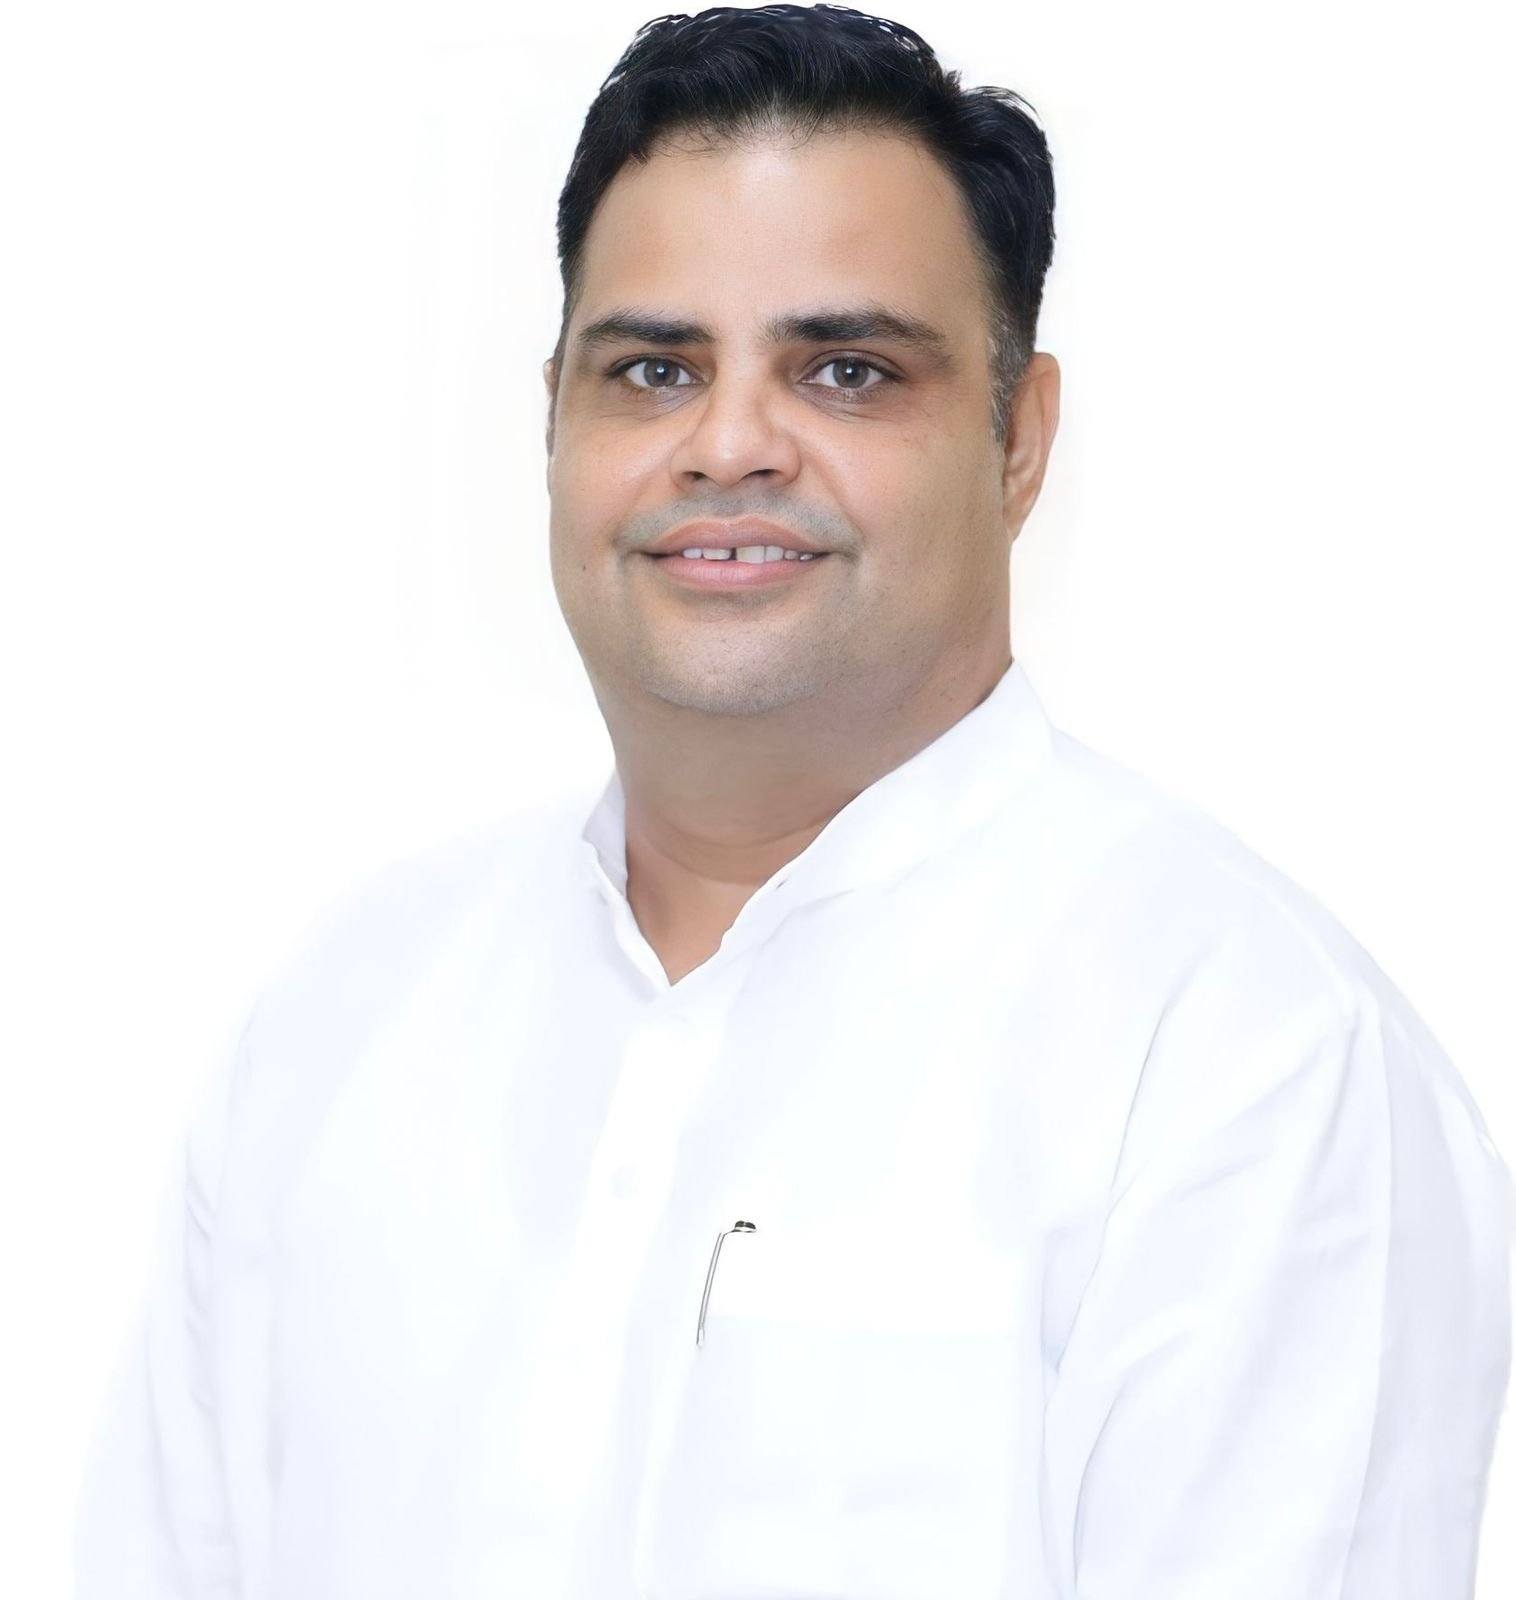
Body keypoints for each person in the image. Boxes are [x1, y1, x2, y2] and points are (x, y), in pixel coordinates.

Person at [76, 6, 1513, 1597]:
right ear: (552, 421)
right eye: (653, 370)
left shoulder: (1248, 1060)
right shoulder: (342, 1023)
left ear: (1019, 438)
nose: (730, 444)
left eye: (845, 370)